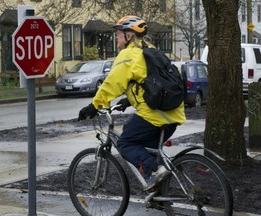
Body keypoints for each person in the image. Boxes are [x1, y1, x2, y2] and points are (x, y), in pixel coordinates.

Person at [78, 15, 186, 191]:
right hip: (174, 113)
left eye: (119, 34)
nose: (117, 38)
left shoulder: (128, 55)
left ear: (129, 36)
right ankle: (160, 194)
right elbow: (151, 82)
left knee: (125, 143)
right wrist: (128, 100)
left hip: (155, 115)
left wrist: (93, 106)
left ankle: (154, 172)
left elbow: (112, 84)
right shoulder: (151, 51)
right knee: (147, 148)